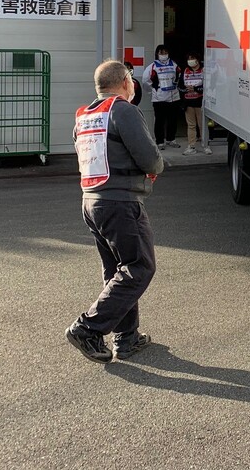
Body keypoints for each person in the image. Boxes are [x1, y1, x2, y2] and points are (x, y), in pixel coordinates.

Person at [67, 59, 164, 363]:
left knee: (117, 270)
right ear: (125, 82)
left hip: (92, 201)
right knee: (139, 266)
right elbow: (150, 159)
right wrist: (156, 167)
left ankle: (127, 337)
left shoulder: (85, 116)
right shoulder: (123, 110)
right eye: (131, 80)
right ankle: (87, 328)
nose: (133, 85)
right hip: (120, 202)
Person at [144, 45, 181, 149]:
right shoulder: (152, 66)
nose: (163, 54)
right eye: (161, 52)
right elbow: (145, 81)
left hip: (174, 97)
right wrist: (153, 90)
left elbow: (179, 76)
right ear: (157, 54)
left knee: (172, 120)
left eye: (165, 52)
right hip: (159, 98)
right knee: (159, 121)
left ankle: (171, 139)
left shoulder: (174, 64)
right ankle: (160, 142)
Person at [178, 53, 211, 155]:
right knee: (191, 125)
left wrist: (195, 89)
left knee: (202, 125)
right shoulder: (185, 71)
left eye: (192, 58)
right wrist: (186, 89)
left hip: (200, 102)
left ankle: (205, 145)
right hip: (188, 102)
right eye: (189, 58)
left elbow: (208, 86)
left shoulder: (204, 70)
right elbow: (180, 86)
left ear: (197, 59)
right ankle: (191, 146)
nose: (190, 60)